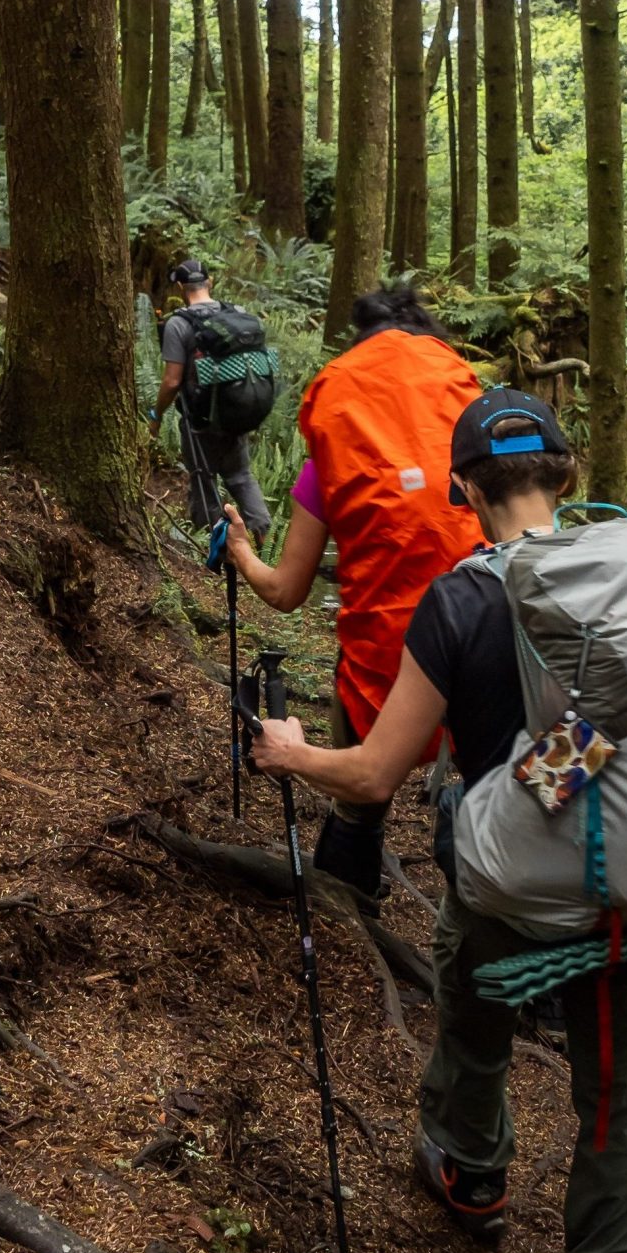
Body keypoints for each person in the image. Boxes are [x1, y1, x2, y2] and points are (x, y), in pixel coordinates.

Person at [250, 390, 627, 1253]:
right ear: (566, 477)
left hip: (505, 889)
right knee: (619, 1089)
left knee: (474, 1014)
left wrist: (294, 753)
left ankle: (473, 1177)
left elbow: (376, 775)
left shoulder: (461, 600)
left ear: (462, 490)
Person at [220, 284, 484, 903]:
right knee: (496, 793)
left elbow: (286, 592)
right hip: (488, 647)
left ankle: (351, 920)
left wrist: (241, 551)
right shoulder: (476, 437)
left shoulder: (339, 444)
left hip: (386, 661)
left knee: (360, 802)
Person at [150, 259, 275, 539]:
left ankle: (211, 547)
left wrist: (156, 416)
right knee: (240, 475)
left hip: (199, 421)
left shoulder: (178, 324)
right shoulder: (237, 314)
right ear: (211, 282)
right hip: (236, 411)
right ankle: (265, 539)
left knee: (203, 479)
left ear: (181, 287)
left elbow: (171, 381)